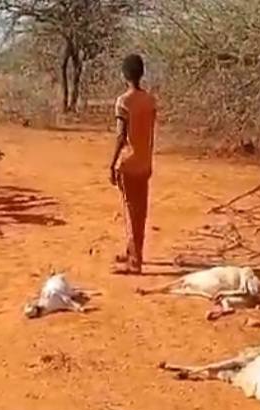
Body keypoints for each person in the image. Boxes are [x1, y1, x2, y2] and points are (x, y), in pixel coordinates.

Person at [108, 53, 157, 275]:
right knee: (141, 211)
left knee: (130, 210)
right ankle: (133, 251)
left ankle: (135, 261)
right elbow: (150, 134)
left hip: (128, 163)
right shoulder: (150, 101)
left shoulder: (123, 101)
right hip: (145, 161)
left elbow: (121, 136)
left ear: (124, 75)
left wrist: (111, 163)